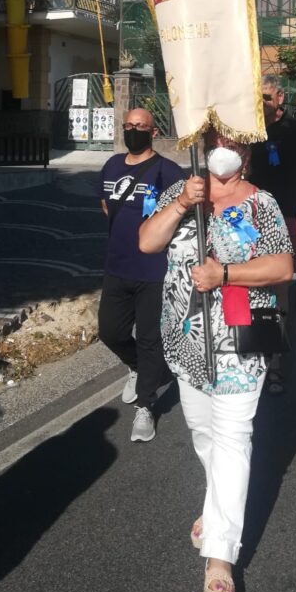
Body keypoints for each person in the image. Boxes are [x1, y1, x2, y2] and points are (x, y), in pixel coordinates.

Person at [139, 128, 293, 592]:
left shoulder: (261, 203)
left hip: (240, 346)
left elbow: (283, 266)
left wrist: (224, 274)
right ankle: (217, 502)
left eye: (236, 142)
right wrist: (183, 202)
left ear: (246, 153)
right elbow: (147, 242)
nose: (225, 150)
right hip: (186, 345)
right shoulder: (180, 192)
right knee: (203, 435)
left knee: (232, 440)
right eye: (217, 141)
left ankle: (221, 556)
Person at [95, 108, 184, 443]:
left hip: (153, 271)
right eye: (128, 126)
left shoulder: (168, 171)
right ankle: (142, 368)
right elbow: (106, 205)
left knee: (149, 339)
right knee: (110, 332)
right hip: (117, 266)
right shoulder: (112, 165)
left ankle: (146, 405)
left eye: (140, 127)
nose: (133, 131)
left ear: (154, 132)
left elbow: (180, 215)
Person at [248, 74, 296, 393]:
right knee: (248, 280)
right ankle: (250, 344)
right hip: (251, 216)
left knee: (279, 285)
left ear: (279, 99)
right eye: (256, 97)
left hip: (287, 214)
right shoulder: (248, 130)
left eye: (265, 97)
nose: (260, 103)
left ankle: (275, 358)